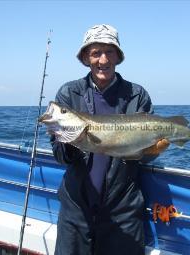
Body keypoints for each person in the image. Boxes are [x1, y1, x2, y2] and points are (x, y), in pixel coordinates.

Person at [51, 24, 169, 255]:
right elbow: (61, 158)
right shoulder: (68, 94)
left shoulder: (137, 95)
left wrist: (152, 150)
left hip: (123, 210)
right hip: (76, 210)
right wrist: (70, 139)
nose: (103, 60)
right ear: (86, 57)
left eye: (109, 52)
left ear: (118, 56)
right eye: (95, 53)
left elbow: (140, 157)